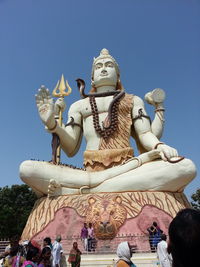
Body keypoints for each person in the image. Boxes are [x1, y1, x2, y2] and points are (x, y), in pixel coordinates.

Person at [20, 48, 196, 197]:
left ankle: (78, 191)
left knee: (185, 168)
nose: (103, 69)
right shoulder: (79, 105)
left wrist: (159, 146)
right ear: (92, 78)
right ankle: (99, 185)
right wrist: (53, 124)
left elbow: (144, 134)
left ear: (118, 75)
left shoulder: (133, 100)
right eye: (98, 66)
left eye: (109, 65)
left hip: (129, 169)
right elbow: (71, 147)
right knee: (27, 169)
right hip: (89, 173)